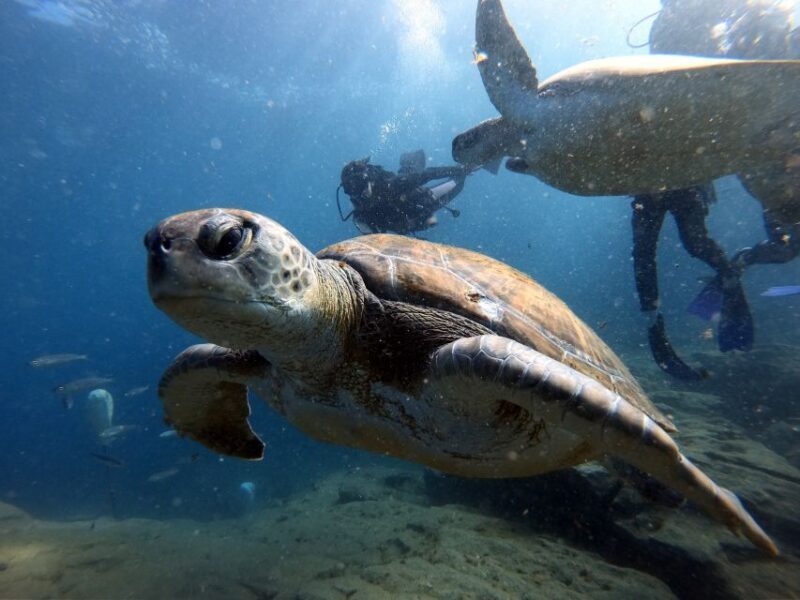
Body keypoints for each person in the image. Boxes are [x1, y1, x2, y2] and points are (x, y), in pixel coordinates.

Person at [632, 0, 799, 380]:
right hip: (659, 163)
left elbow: (716, 107)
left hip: (680, 163)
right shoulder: (681, 30)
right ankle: (657, 327)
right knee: (648, 248)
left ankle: (726, 280)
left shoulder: (701, 33)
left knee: (688, 243)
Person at [337, 150, 468, 235]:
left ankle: (467, 168)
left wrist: (458, 171)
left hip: (422, 202)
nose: (359, 194)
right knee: (409, 175)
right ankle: (409, 168)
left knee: (457, 183)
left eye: (358, 186)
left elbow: (426, 175)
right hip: (413, 220)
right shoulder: (362, 216)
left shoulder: (390, 186)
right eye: (351, 190)